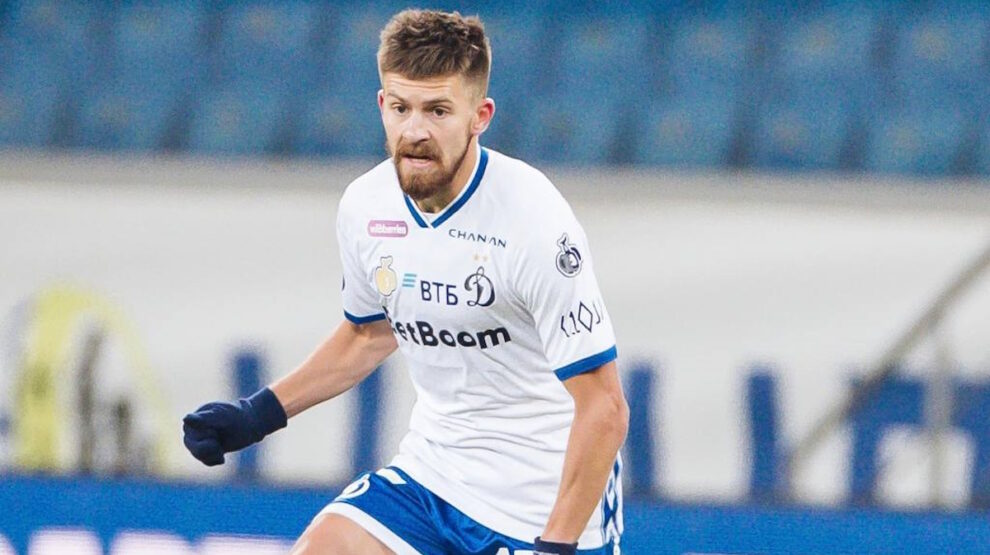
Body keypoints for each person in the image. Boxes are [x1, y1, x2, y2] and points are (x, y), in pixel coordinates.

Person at [182, 9, 628, 555]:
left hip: (540, 504)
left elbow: (605, 406)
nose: (415, 131)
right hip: (431, 477)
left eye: (437, 110)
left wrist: (555, 547)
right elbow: (368, 334)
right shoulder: (366, 206)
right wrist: (256, 415)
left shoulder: (533, 220)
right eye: (401, 108)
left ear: (480, 116)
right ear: (381, 106)